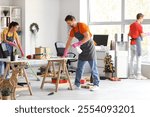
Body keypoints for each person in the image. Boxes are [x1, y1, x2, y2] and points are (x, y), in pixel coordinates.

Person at [63, 15, 100, 91]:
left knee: (93, 68)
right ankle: (77, 84)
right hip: (82, 49)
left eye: (70, 23)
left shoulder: (82, 25)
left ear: (73, 20)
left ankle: (96, 84)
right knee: (79, 68)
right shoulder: (73, 30)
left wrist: (78, 43)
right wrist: (65, 53)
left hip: (90, 48)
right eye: (68, 24)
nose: (69, 25)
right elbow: (68, 42)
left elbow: (87, 37)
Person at [128, 13, 147, 80]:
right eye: (142, 19)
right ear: (140, 18)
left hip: (132, 43)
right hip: (137, 43)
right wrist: (148, 33)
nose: (142, 20)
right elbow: (142, 35)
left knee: (132, 59)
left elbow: (129, 34)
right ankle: (139, 75)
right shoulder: (139, 25)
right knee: (139, 58)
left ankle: (131, 74)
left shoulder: (131, 25)